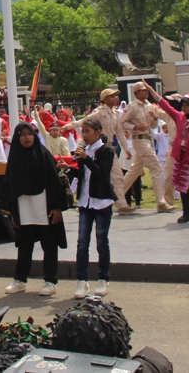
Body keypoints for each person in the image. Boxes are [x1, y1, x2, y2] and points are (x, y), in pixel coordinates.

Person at [0, 122, 68, 297]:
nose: (27, 138)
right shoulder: (15, 158)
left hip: (44, 207)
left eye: (29, 134)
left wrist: (57, 207)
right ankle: (20, 280)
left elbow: (54, 182)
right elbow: (9, 186)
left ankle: (50, 281)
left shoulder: (44, 155)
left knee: (49, 245)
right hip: (24, 209)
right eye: (22, 135)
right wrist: (13, 212)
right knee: (24, 246)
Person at [145, 84, 189, 224]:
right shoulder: (179, 117)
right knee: (183, 185)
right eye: (183, 105)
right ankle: (186, 214)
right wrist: (151, 90)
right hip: (181, 156)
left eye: (187, 105)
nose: (184, 108)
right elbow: (164, 105)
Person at [70, 116, 115, 299]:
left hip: (101, 202)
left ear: (98, 132)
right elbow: (83, 175)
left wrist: (86, 158)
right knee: (82, 243)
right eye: (83, 131)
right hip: (85, 202)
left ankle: (103, 278)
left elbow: (101, 174)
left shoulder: (106, 151)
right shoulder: (84, 151)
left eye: (88, 131)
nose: (85, 135)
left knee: (101, 242)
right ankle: (82, 280)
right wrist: (69, 168)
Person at [119, 82, 176, 212]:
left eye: (147, 90)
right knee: (156, 167)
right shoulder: (132, 107)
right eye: (144, 90)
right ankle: (161, 202)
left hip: (148, 140)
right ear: (137, 92)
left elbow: (153, 125)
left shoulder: (149, 106)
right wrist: (135, 127)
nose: (146, 92)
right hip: (139, 140)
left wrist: (154, 118)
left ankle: (116, 197)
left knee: (134, 172)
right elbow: (121, 122)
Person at [83, 89, 135, 215]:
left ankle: (122, 204)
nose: (115, 99)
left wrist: (126, 149)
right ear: (105, 99)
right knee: (93, 176)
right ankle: (85, 202)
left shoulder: (115, 114)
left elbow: (119, 133)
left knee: (118, 177)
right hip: (97, 148)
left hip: (109, 149)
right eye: (112, 96)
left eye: (115, 96)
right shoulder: (99, 113)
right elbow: (84, 122)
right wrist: (68, 126)